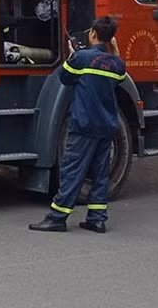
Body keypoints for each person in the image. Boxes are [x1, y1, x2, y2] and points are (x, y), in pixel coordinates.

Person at [29, 16, 127, 234]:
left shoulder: (81, 58)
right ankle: (97, 219)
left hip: (83, 125)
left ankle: (57, 217)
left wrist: (73, 55)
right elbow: (119, 77)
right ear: (111, 39)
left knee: (73, 170)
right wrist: (115, 50)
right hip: (107, 127)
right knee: (100, 174)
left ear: (92, 33)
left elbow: (64, 78)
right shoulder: (117, 64)